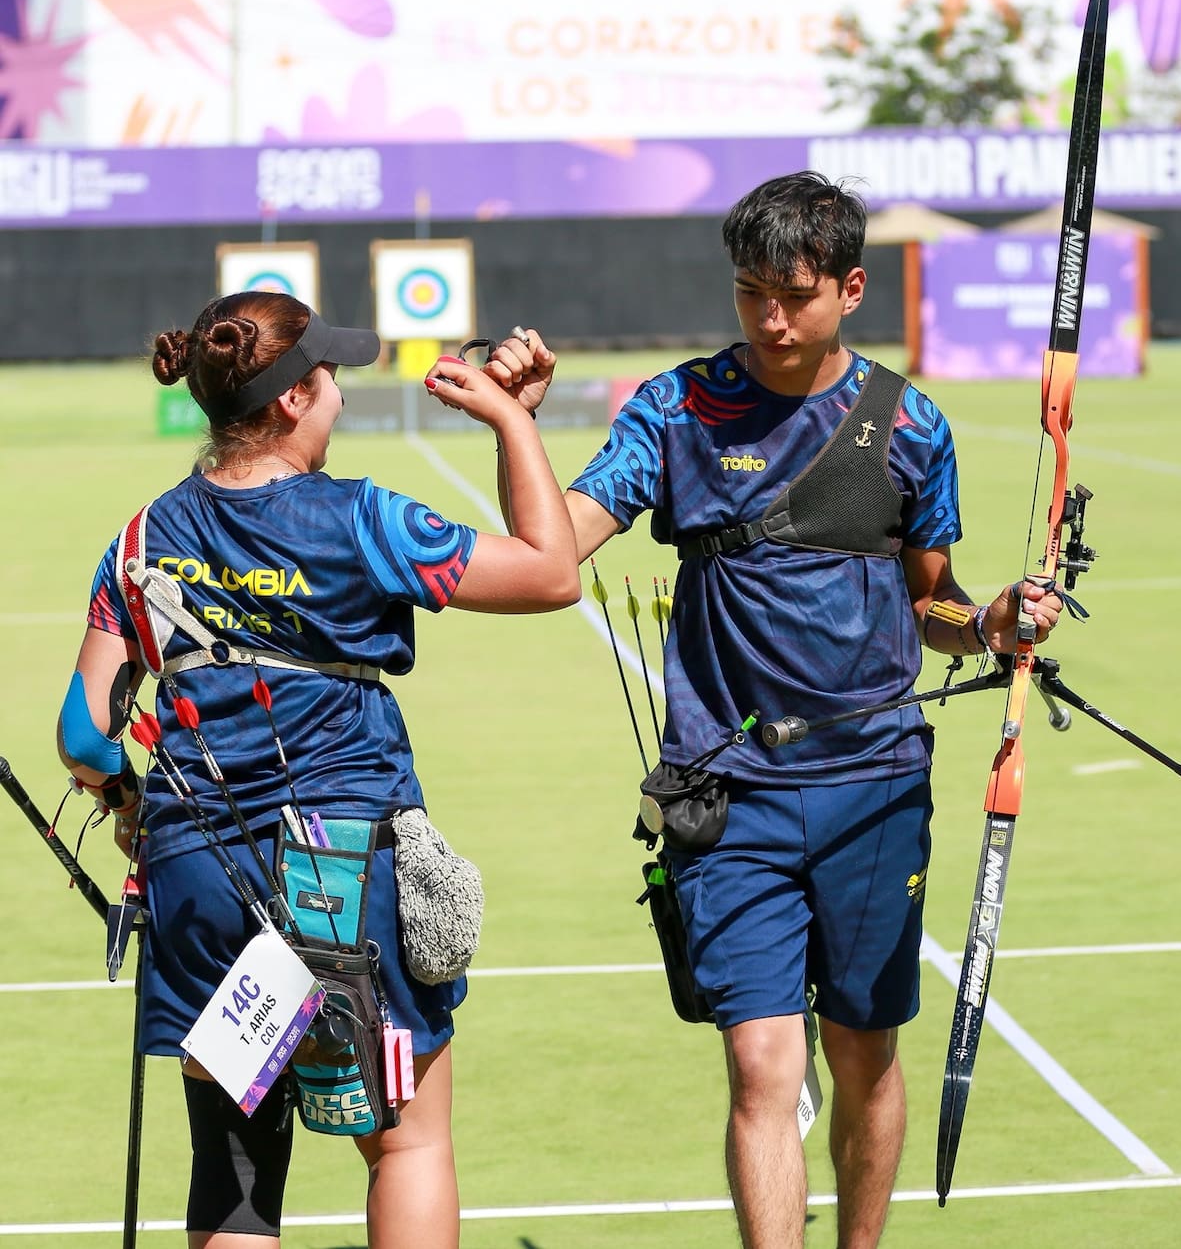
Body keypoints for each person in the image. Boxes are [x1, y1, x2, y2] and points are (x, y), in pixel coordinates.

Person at [481, 171, 1064, 1249]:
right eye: (751, 293)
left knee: (864, 1052)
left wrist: (991, 622)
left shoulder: (909, 423)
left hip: (873, 787)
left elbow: (932, 602)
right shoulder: (676, 409)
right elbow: (552, 549)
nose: (770, 319)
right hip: (726, 791)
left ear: (851, 289)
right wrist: (517, 423)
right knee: (761, 1062)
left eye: (794, 296)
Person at [56, 291, 580, 1249]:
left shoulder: (139, 540)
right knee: (405, 1147)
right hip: (343, 872)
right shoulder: (363, 517)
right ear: (294, 399)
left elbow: (83, 735)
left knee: (236, 1165)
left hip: (200, 876)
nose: (339, 391)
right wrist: (512, 420)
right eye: (330, 375)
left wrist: (128, 801)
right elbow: (552, 572)